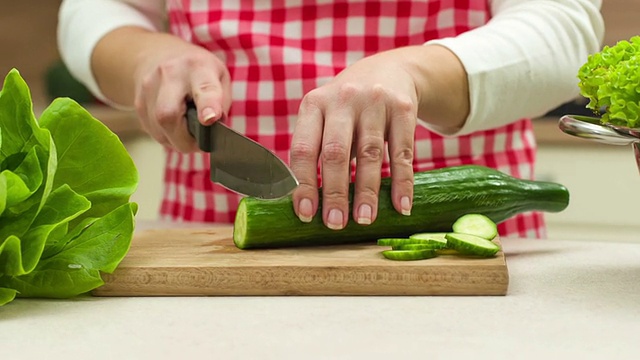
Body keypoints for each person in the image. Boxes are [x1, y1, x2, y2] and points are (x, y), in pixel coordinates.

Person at [57, 0, 604, 238]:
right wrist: (144, 56)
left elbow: (567, 27)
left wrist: (419, 71)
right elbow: (93, 11)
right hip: (208, 243)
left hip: (459, 250)